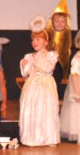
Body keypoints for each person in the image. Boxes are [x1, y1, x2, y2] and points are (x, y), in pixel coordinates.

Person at [19, 16, 60, 147]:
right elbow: (25, 73)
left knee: (46, 110)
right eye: (33, 40)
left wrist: (40, 56)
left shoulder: (50, 55)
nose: (34, 42)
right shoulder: (28, 56)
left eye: (38, 39)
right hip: (32, 86)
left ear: (46, 41)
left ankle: (49, 138)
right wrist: (25, 65)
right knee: (32, 109)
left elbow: (48, 67)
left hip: (45, 86)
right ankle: (32, 138)